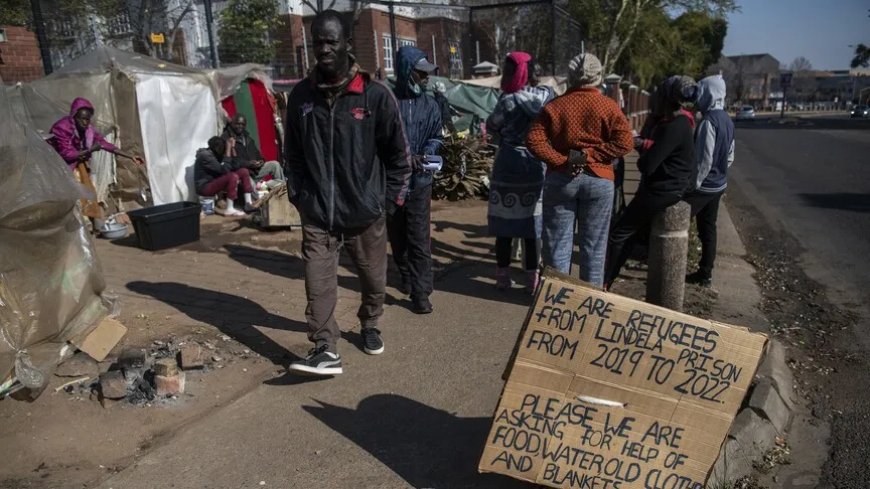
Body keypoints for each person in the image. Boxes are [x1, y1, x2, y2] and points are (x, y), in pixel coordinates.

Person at [285, 10, 411, 376]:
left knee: (374, 280)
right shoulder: (301, 97)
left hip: (365, 213)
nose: (323, 49)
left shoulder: (375, 96)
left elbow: (399, 158)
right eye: (317, 43)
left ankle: (370, 322)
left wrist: (386, 204)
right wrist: (299, 195)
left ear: (347, 44)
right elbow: (292, 153)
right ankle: (325, 347)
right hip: (318, 213)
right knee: (317, 282)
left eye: (331, 41)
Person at [526, 53, 633, 288]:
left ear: (571, 76)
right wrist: (590, 156)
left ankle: (555, 299)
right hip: (599, 180)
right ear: (598, 76)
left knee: (556, 246)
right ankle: (589, 301)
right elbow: (625, 142)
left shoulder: (554, 106)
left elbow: (534, 140)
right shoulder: (609, 107)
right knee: (594, 249)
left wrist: (563, 161)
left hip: (561, 180)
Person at [603, 75, 699, 289]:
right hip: (671, 187)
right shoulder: (681, 122)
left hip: (663, 190)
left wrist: (644, 149)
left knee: (619, 233)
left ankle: (605, 281)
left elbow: (647, 165)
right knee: (631, 230)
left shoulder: (673, 126)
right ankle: (609, 277)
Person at [487, 52, 554, 292]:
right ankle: (532, 279)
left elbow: (492, 124)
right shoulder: (546, 95)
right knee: (532, 225)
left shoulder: (506, 100)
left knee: (505, 224)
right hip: (535, 164)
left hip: (508, 164)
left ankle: (502, 276)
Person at [387, 46, 442, 314]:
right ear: (407, 72)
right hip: (393, 183)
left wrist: (427, 153)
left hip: (420, 182)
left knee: (419, 239)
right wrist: (402, 158)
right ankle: (406, 275)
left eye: (427, 73)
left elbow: (436, 136)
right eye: (421, 73)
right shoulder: (388, 103)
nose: (426, 78)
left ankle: (421, 293)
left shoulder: (430, 105)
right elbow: (379, 140)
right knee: (397, 238)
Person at [50, 97, 144, 222]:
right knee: (71, 195)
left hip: (77, 163)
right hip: (58, 164)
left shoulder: (88, 130)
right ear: (74, 116)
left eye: (87, 119)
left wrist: (130, 156)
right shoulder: (62, 128)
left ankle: (90, 222)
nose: (85, 122)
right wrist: (90, 150)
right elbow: (67, 154)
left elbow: (104, 144)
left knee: (86, 192)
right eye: (82, 118)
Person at [683, 74, 735, 287]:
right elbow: (730, 156)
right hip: (719, 185)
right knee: (708, 229)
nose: (698, 97)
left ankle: (667, 262)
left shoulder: (708, 122)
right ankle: (706, 273)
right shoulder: (727, 120)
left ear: (709, 93)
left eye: (702, 92)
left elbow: (703, 159)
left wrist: (693, 185)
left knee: (676, 218)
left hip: (703, 187)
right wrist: (720, 174)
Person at [194, 136, 255, 217]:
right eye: (223, 147)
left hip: (214, 183)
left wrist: (232, 148)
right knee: (232, 176)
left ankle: (248, 203)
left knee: (243, 171)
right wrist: (228, 150)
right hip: (205, 187)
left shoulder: (216, 154)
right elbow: (224, 170)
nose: (224, 150)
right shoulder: (206, 156)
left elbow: (236, 165)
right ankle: (229, 209)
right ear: (217, 148)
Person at [222, 114, 285, 186]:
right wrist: (248, 164)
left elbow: (257, 153)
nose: (240, 126)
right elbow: (229, 163)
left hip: (254, 171)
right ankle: (263, 185)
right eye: (238, 124)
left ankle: (270, 186)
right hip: (241, 174)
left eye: (243, 124)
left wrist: (260, 161)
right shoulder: (226, 138)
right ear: (232, 123)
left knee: (275, 165)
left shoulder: (247, 138)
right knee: (251, 182)